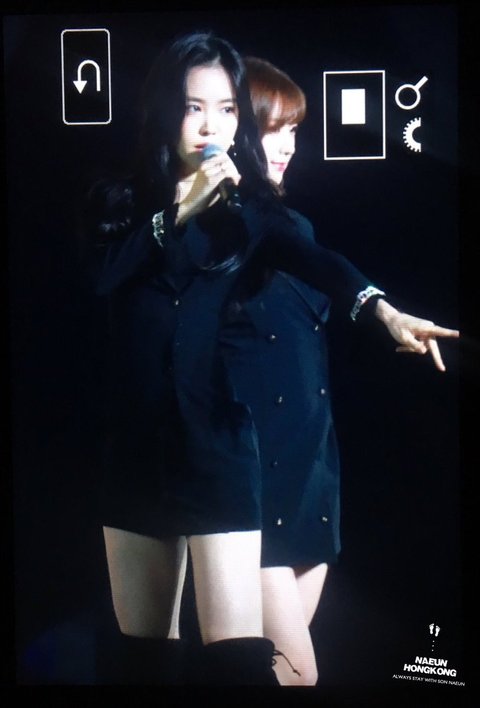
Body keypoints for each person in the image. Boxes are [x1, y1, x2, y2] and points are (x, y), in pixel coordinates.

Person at [84, 31, 458, 686]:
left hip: (220, 453)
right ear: (166, 111)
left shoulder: (249, 214)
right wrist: (178, 212)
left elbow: (319, 261)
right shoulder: (120, 202)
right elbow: (103, 279)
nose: (211, 126)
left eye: (227, 109)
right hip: (140, 452)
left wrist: (382, 310)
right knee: (145, 662)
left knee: (241, 666)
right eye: (194, 107)